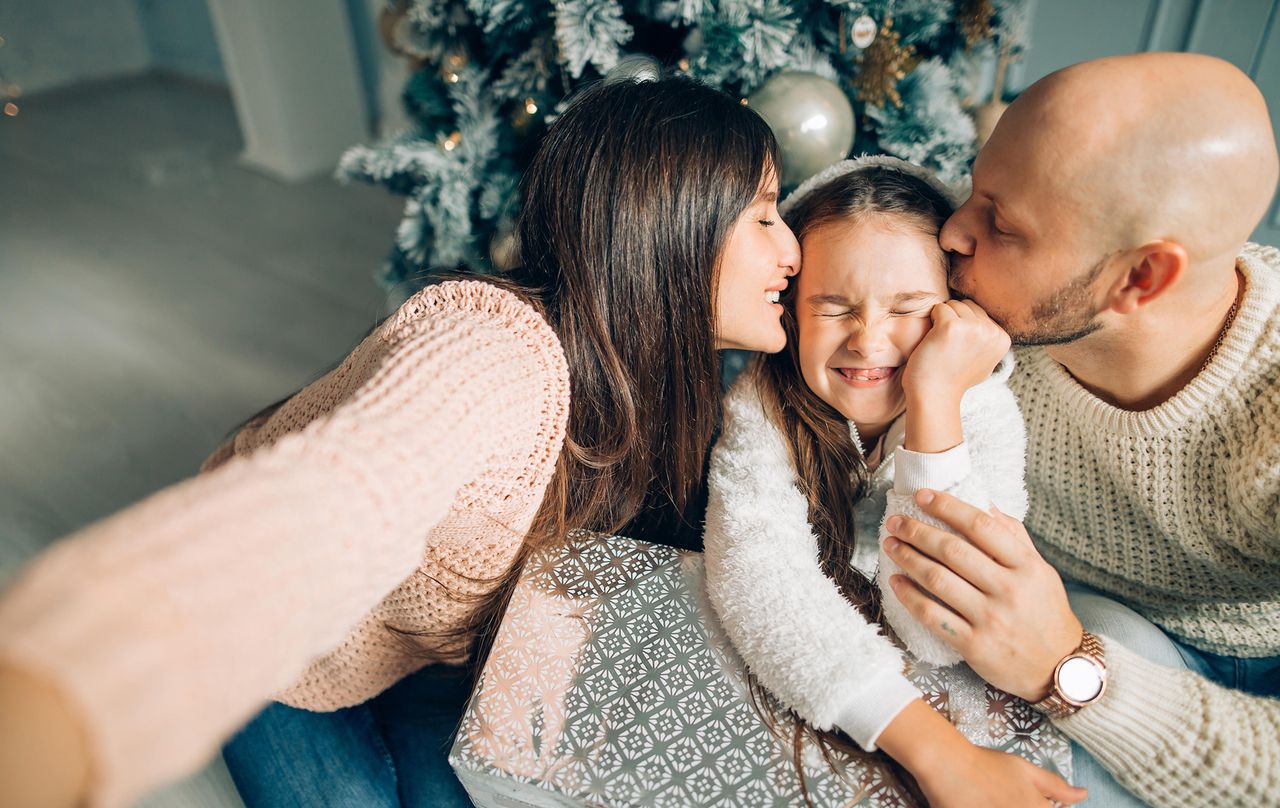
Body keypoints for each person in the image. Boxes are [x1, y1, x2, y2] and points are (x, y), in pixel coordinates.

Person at [0, 75, 806, 808]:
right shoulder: (496, 353)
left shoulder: (674, 387)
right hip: (296, 660)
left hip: (437, 653)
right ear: (668, 224)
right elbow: (334, 501)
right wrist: (61, 693)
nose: (792, 252)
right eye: (765, 214)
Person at [875, 52, 1280, 806]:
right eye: (975, 187)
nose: (952, 233)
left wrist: (1066, 665)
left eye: (1002, 223)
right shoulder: (978, 314)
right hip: (1058, 603)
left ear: (1140, 279)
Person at [703, 156, 1083, 807]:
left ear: (956, 316)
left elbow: (937, 632)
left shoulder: (982, 410)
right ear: (792, 313)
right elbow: (756, 573)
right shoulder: (764, 402)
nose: (869, 339)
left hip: (942, 678)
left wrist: (934, 402)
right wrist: (939, 757)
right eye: (834, 307)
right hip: (826, 673)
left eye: (908, 308)